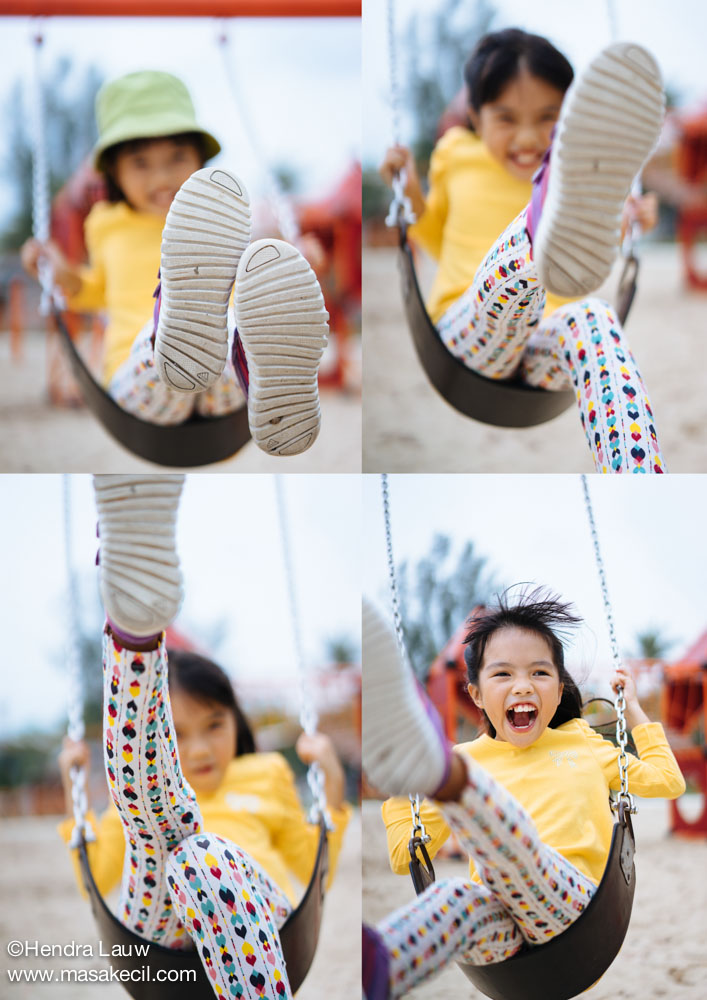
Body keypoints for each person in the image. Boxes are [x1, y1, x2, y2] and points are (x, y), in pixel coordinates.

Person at [58, 474, 351, 999]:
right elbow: (99, 876)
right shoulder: (141, 803)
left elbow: (314, 869)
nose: (196, 748)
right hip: (159, 935)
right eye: (178, 731)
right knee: (154, 836)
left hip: (258, 924)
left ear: (237, 720)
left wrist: (329, 781)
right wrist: (72, 794)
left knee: (199, 858)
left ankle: (132, 635)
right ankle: (135, 627)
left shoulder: (266, 773)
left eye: (214, 725)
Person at [361, 590, 685, 998]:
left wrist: (633, 708)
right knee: (456, 895)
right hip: (506, 948)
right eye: (502, 674)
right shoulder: (468, 757)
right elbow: (402, 855)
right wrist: (400, 785)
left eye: (539, 673)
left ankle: (447, 779)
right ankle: (380, 965)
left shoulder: (581, 743)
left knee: (520, 855)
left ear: (558, 686)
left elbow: (668, 780)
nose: (522, 686)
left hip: (581, 921)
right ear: (476, 694)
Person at [380, 31, 666, 473]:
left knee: (595, 319)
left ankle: (639, 477)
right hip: (471, 330)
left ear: (571, 116)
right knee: (512, 285)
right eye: (507, 118)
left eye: (549, 116)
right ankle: (541, 227)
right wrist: (410, 193)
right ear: (475, 116)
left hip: (546, 346)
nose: (529, 137)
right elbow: (433, 235)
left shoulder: (581, 169)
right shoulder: (457, 155)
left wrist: (628, 218)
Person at [21, 72, 329, 456]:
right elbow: (96, 290)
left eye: (177, 157)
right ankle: (174, 333)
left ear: (201, 158)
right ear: (114, 171)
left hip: (224, 388)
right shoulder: (105, 223)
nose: (162, 176)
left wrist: (292, 267)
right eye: (141, 163)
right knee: (158, 346)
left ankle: (269, 374)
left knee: (232, 334)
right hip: (141, 385)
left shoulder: (224, 223)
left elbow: (253, 282)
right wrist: (58, 272)